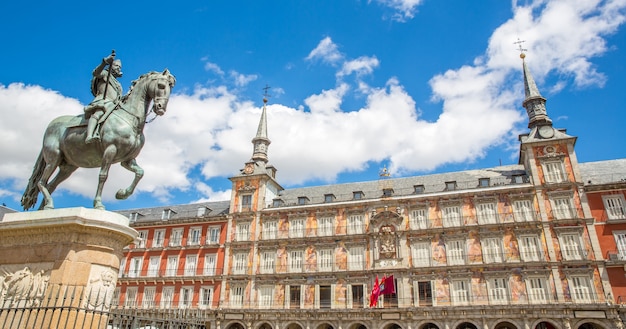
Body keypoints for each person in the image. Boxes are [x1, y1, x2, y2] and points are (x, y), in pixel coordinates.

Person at [84, 53, 123, 143]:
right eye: (116, 66)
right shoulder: (105, 74)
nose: (119, 68)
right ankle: (89, 136)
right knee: (98, 114)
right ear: (110, 66)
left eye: (120, 67)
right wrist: (105, 62)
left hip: (114, 106)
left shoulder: (118, 84)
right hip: (104, 101)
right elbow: (95, 73)